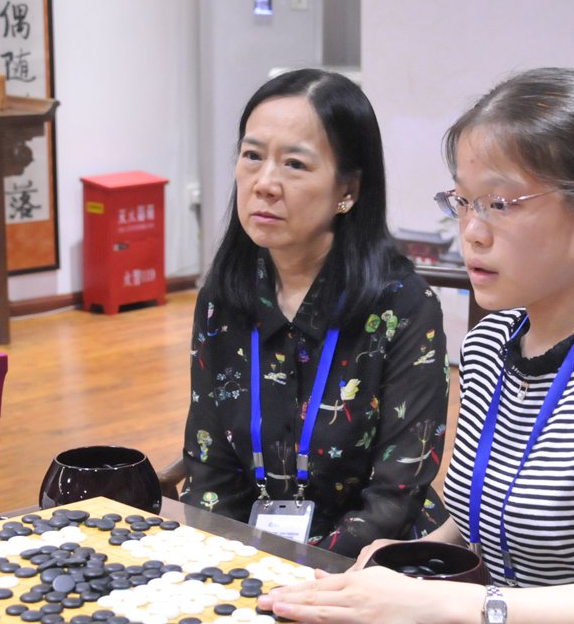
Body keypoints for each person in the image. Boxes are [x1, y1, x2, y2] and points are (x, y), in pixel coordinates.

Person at [257, 67, 574, 624]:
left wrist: (452, 603)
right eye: (462, 200)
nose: (470, 231)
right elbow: (484, 522)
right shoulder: (489, 347)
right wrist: (405, 556)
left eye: (499, 204)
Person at [179, 68, 450, 558]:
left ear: (348, 189)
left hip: (370, 566)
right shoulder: (224, 298)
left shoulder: (403, 308)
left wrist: (299, 574)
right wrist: (231, 565)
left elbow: (394, 496)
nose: (264, 183)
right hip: (245, 559)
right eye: (252, 156)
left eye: (295, 165)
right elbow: (209, 470)